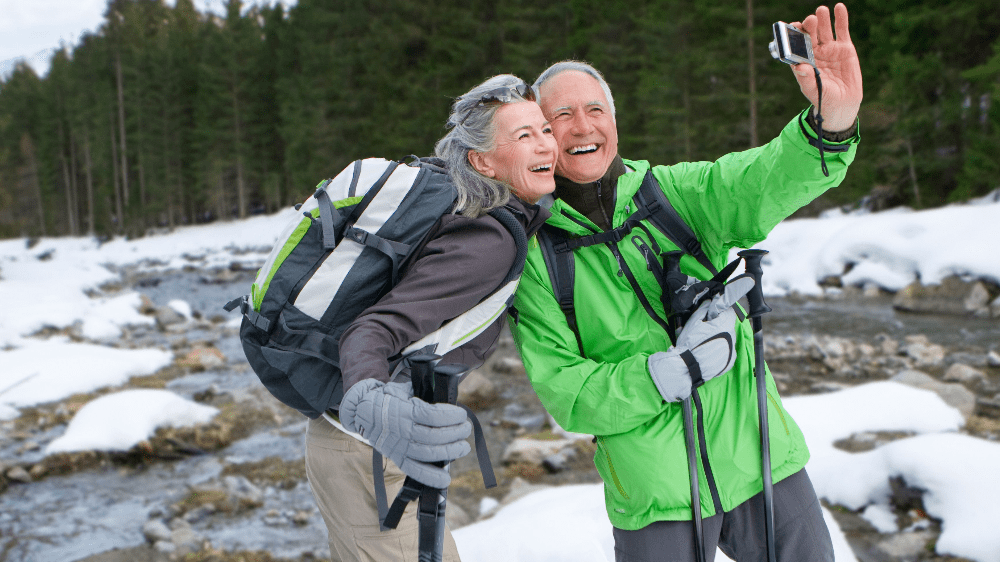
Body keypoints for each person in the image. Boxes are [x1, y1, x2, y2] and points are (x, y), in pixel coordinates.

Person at [510, 4, 861, 562]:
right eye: (561, 117)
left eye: (595, 109)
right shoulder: (535, 253)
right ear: (540, 137)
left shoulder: (676, 195)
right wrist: (663, 376)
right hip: (653, 492)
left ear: (615, 121)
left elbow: (763, 178)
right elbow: (568, 393)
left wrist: (830, 123)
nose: (583, 126)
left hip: (761, 457)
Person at [303, 74, 556, 562]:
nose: (546, 143)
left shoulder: (471, 208)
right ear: (482, 162)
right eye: (524, 136)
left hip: (356, 444)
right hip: (371, 448)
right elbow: (372, 329)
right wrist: (370, 403)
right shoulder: (488, 240)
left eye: (545, 129)